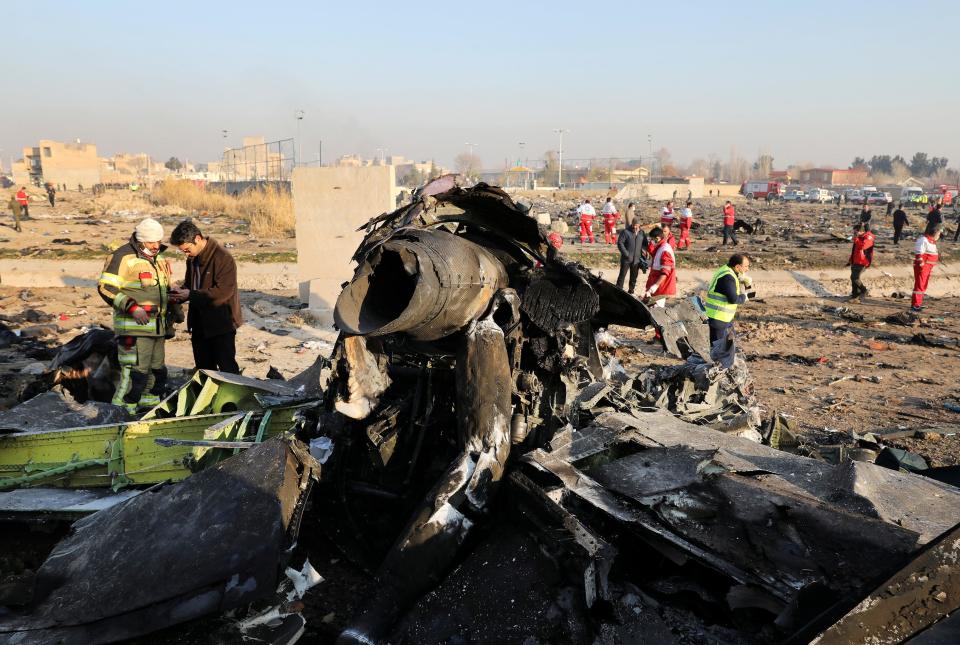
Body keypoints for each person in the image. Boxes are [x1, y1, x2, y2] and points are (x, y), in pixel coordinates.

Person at [97, 218, 173, 414]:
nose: (156, 246)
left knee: (156, 371)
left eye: (158, 241)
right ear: (140, 241)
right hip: (133, 328)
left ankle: (147, 405)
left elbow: (162, 290)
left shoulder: (160, 258)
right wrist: (132, 308)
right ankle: (122, 412)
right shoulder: (123, 257)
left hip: (157, 328)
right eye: (151, 243)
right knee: (134, 373)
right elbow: (106, 287)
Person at [168, 220, 243, 373]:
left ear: (197, 239)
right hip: (199, 324)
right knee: (204, 369)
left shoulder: (223, 258)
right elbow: (190, 286)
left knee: (227, 369)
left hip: (222, 324)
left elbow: (223, 292)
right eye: (183, 251)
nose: (186, 254)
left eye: (187, 250)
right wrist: (179, 294)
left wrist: (190, 294)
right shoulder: (192, 259)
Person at [703, 254, 753, 368]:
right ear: (737, 266)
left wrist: (746, 283)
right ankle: (716, 369)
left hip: (723, 318)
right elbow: (734, 299)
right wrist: (745, 297)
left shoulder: (727, 271)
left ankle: (724, 366)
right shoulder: (727, 277)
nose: (747, 269)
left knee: (727, 344)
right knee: (718, 348)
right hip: (718, 318)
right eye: (746, 266)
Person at [911, 223, 941, 312]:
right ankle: (915, 305)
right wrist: (921, 266)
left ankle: (918, 303)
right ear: (934, 232)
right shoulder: (923, 240)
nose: (939, 236)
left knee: (923, 285)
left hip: (928, 268)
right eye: (938, 234)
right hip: (922, 268)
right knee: (919, 286)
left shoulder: (931, 241)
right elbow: (919, 254)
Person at [643, 226, 676, 303]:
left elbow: (665, 272)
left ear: (657, 238)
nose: (651, 242)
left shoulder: (665, 250)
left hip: (662, 291)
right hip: (657, 290)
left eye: (652, 239)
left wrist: (655, 286)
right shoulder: (659, 248)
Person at [616, 218, 646, 294]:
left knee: (634, 277)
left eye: (637, 225)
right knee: (622, 275)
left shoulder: (642, 233)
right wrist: (626, 254)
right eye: (635, 225)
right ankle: (618, 291)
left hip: (637, 259)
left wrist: (643, 250)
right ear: (632, 224)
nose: (636, 227)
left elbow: (645, 244)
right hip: (626, 259)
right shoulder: (625, 232)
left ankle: (631, 291)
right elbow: (620, 243)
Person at [848, 223, 875, 300]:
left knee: (854, 277)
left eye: (855, 232)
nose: (854, 234)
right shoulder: (859, 237)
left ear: (860, 231)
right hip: (856, 260)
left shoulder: (868, 237)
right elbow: (855, 250)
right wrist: (851, 259)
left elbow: (863, 246)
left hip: (863, 261)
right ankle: (855, 294)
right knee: (853, 278)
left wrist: (856, 239)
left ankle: (864, 290)